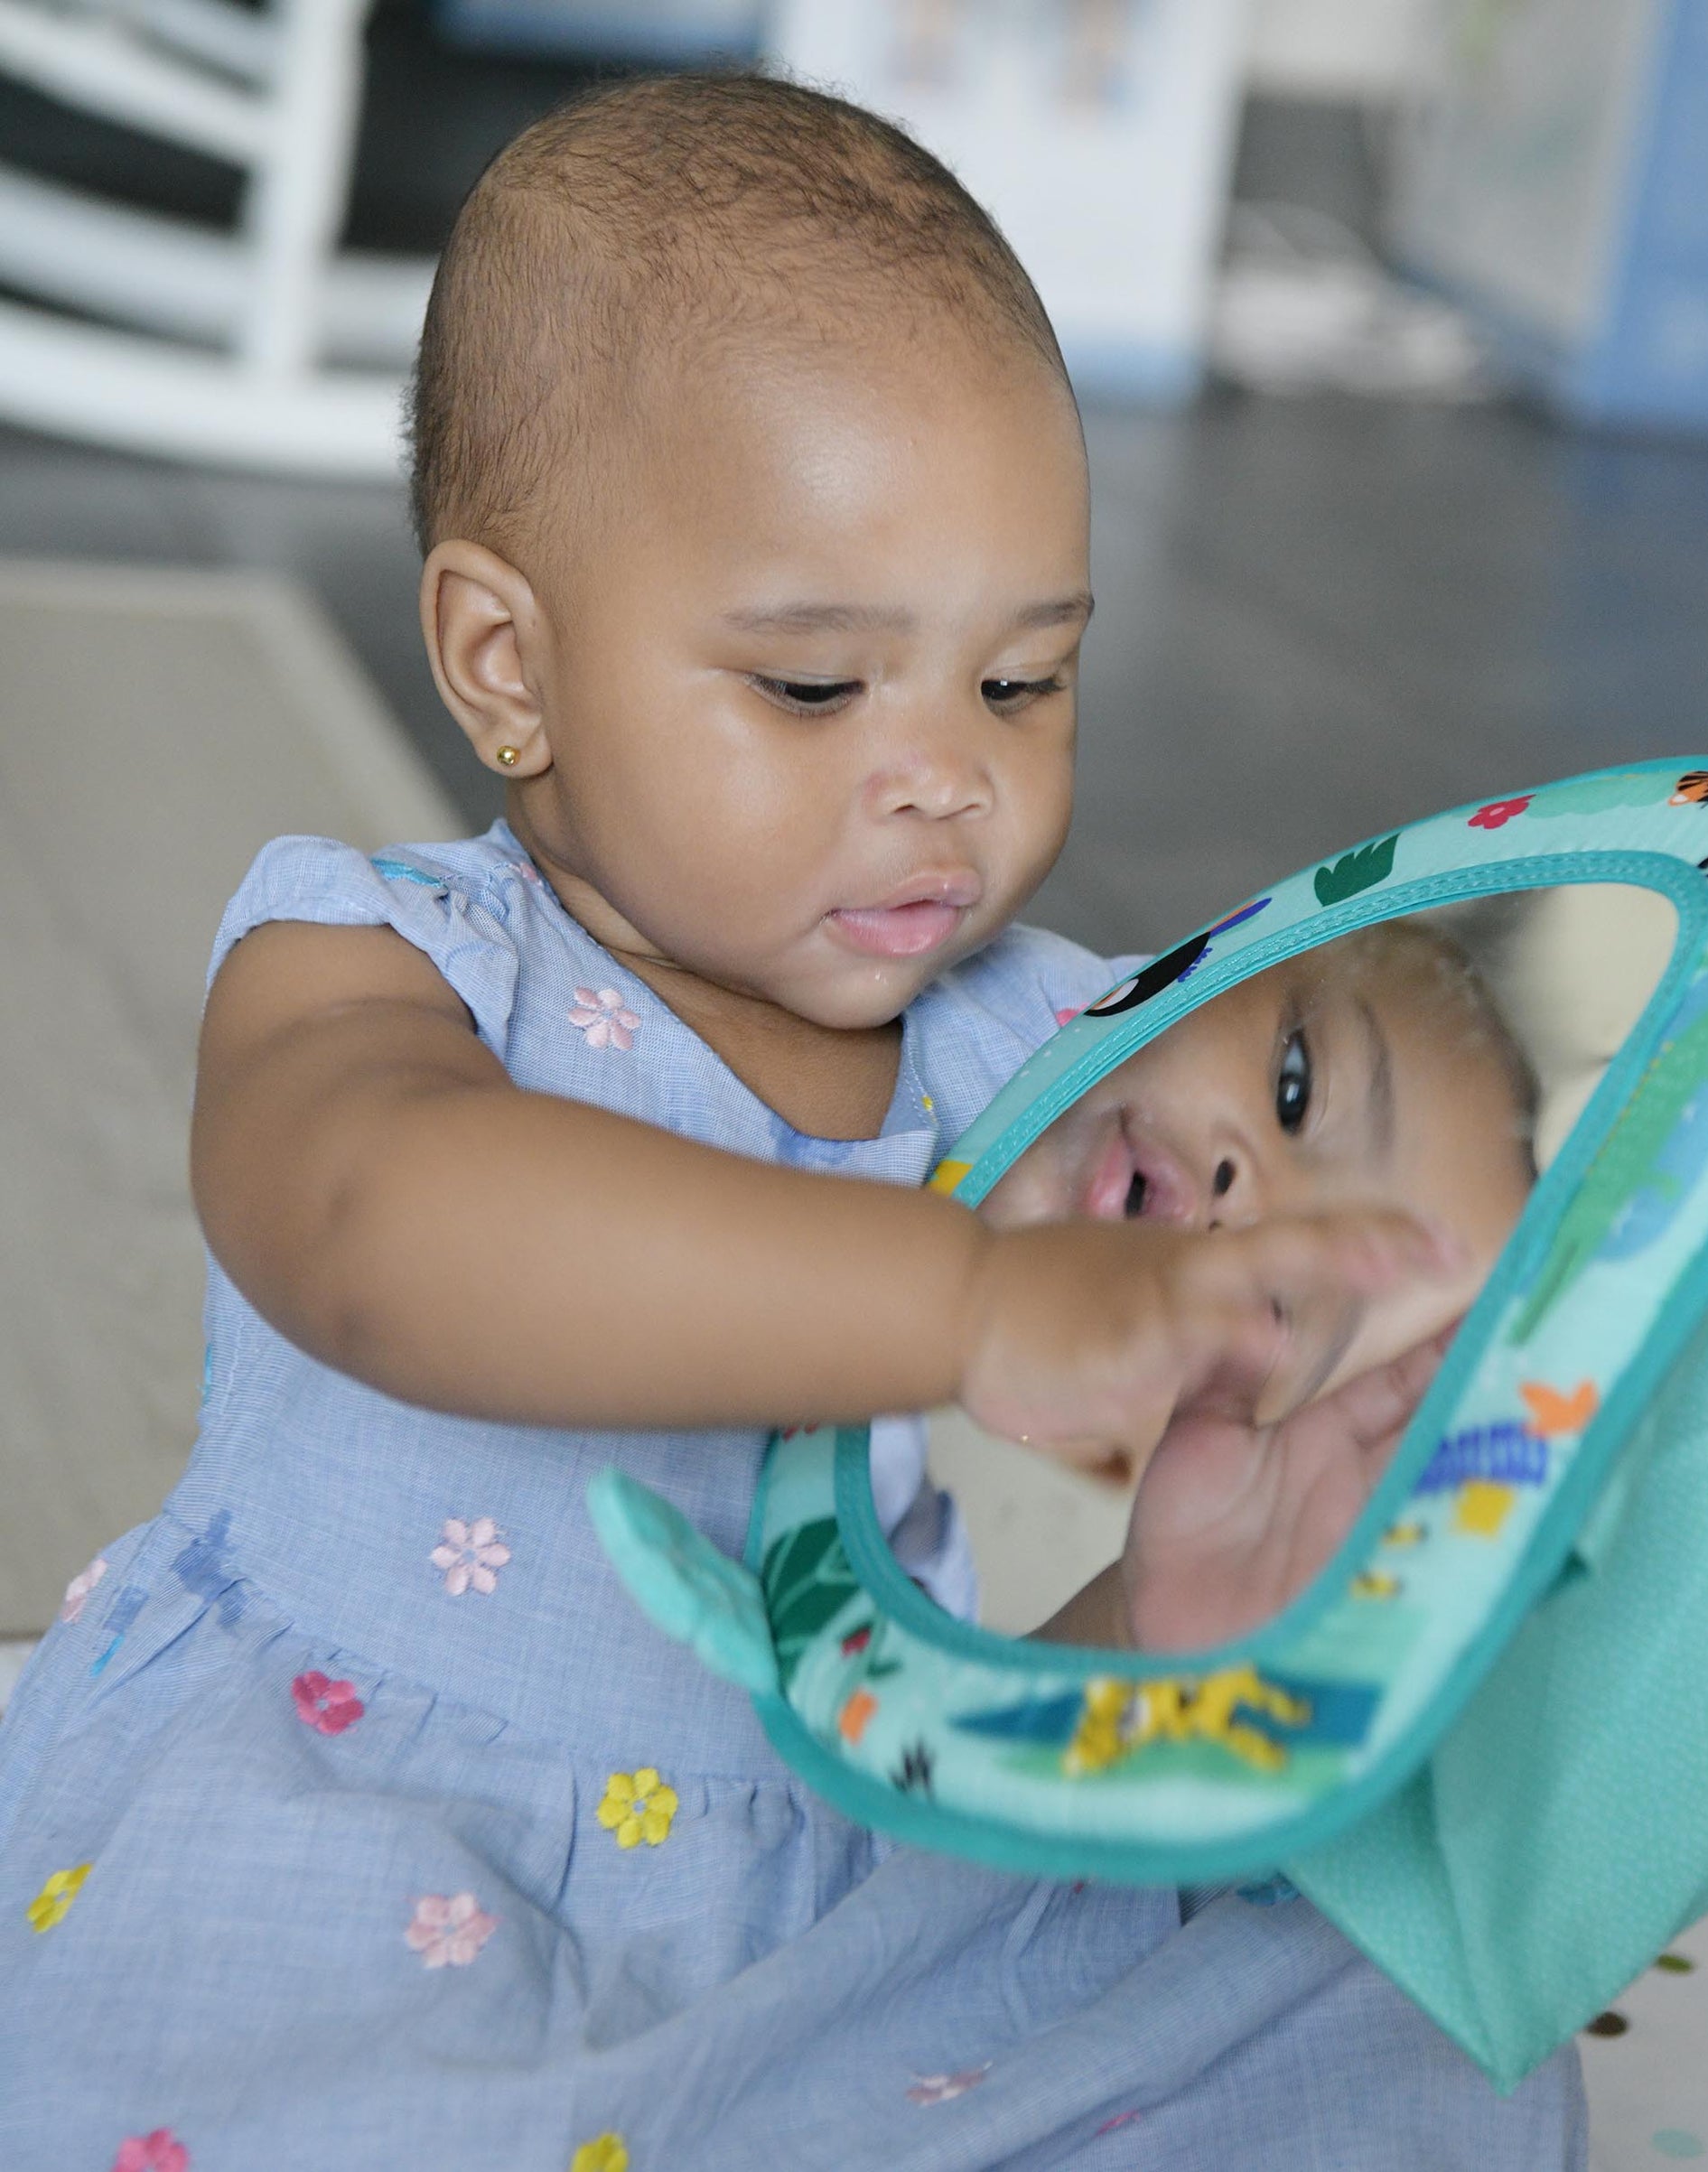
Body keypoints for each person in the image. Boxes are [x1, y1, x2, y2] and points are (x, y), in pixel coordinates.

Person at [0, 76, 1585, 2171]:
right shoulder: (377, 958)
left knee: (1396, 2025)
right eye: (820, 690)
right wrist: (964, 1301)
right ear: (506, 662)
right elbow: (387, 1228)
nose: (946, 782)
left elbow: (1352, 1118)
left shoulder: (1014, 1035)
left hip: (841, 1851)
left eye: (1020, 687)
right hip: (380, 1828)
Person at [983, 918, 1537, 1652]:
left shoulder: (886, 1500)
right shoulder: (885, 951)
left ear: (1090, 1440)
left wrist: (1127, 1631)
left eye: (1275, 1304)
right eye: (1293, 1090)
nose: (1250, 1209)